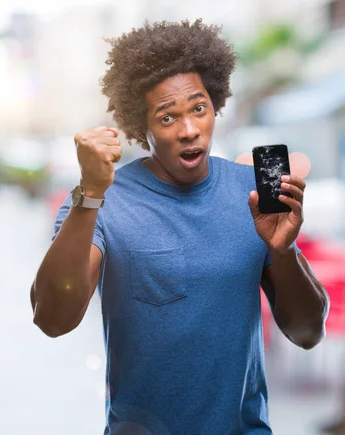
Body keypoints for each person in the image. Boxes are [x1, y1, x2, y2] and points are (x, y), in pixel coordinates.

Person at [30, 20, 330, 434]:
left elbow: (308, 333)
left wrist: (282, 251)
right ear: (142, 126)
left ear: (215, 105)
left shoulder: (255, 195)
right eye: (167, 117)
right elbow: (52, 318)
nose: (189, 130)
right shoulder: (104, 202)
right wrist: (90, 194)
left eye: (198, 108)